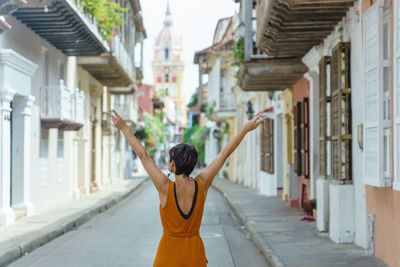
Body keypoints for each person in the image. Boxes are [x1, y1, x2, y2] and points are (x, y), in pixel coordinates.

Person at [109, 110, 266, 267]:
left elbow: (143, 155)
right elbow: (223, 155)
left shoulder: (165, 187)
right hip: (194, 256)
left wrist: (124, 128)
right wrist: (245, 129)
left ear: (172, 164)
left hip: (167, 256)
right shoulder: (202, 184)